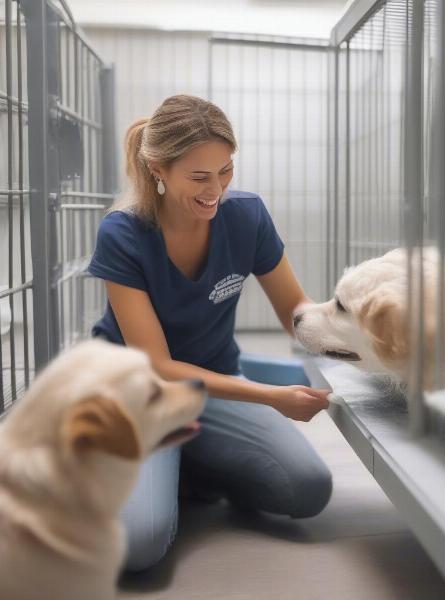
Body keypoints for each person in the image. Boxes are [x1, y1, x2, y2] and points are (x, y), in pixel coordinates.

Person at [87, 94, 333, 572]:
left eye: (226, 170)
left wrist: (353, 326)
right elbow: (157, 365)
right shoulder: (121, 234)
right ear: (158, 168)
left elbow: (296, 311)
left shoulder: (247, 216)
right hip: (141, 393)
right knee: (139, 545)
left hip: (214, 385)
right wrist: (269, 395)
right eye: (199, 177)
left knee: (308, 489)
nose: (215, 189)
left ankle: (187, 462)